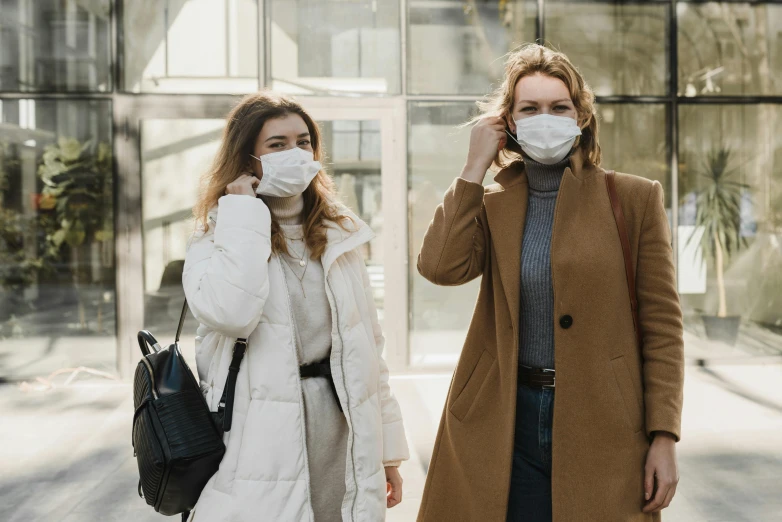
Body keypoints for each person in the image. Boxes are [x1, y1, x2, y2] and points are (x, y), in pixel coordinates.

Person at [416, 44, 684, 522]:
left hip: (605, 419)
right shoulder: (494, 200)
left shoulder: (633, 198)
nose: (546, 117)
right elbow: (440, 267)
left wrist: (664, 434)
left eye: (559, 107)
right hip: (502, 417)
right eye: (530, 108)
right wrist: (474, 167)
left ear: (580, 116)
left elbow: (663, 327)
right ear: (510, 123)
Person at [183, 92, 409, 522]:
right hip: (262, 438)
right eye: (277, 144)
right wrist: (244, 214)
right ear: (248, 159)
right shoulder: (219, 233)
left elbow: (369, 351)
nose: (296, 153)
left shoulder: (340, 234)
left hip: (341, 432)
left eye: (304, 142)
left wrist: (388, 453)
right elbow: (230, 311)